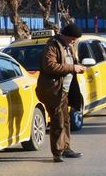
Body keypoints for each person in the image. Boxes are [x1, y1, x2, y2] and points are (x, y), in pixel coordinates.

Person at [36, 23, 87, 163]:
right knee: (58, 121)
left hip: (64, 90)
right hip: (53, 90)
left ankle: (66, 148)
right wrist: (72, 68)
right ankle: (58, 152)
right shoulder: (52, 46)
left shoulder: (68, 46)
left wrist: (78, 68)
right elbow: (49, 65)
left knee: (65, 120)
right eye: (72, 39)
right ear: (65, 35)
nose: (74, 41)